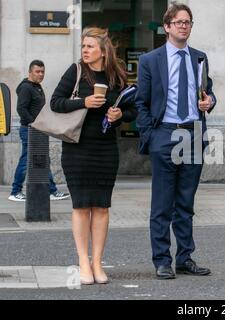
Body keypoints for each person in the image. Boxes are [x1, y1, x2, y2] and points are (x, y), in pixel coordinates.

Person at [135, 2, 216, 280]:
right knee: (162, 203)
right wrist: (151, 136)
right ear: (167, 27)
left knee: (185, 202)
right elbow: (141, 102)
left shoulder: (200, 58)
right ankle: (161, 260)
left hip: (192, 132)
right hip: (166, 133)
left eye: (188, 22)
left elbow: (208, 92)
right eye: (179, 22)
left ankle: (185, 258)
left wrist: (210, 101)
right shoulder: (150, 60)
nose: (184, 26)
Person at [50, 27, 137, 285]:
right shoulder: (75, 71)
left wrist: (120, 115)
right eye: (83, 47)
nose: (85, 51)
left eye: (89, 46)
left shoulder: (116, 75)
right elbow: (55, 102)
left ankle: (97, 262)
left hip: (105, 148)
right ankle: (82, 262)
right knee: (80, 205)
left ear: (102, 50)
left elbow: (133, 109)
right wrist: (83, 103)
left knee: (101, 206)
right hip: (77, 147)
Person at [8, 60, 70, 202]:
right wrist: (33, 124)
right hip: (30, 130)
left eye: (42, 71)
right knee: (26, 160)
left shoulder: (37, 87)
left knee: (43, 159)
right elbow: (21, 109)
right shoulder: (26, 88)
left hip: (38, 130)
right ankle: (15, 191)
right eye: (37, 71)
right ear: (30, 72)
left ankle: (51, 191)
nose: (41, 74)